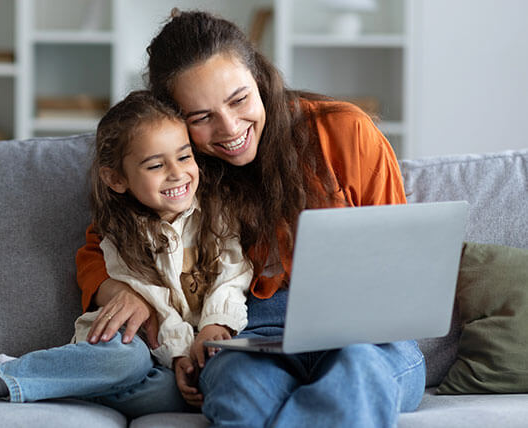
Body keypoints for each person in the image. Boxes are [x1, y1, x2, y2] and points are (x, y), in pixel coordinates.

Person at [76, 9, 426, 427]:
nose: (229, 128)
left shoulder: (344, 131)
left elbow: (403, 254)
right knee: (238, 389)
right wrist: (121, 288)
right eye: (201, 118)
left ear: (259, 78)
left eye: (239, 99)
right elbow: (104, 240)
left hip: (363, 334)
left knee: (357, 373)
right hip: (251, 331)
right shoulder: (181, 168)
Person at [0, 90, 252, 416]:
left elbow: (233, 273)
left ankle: (54, 375)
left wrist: (216, 325)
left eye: (184, 157)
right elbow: (153, 303)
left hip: (171, 365)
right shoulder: (121, 232)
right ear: (116, 178)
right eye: (156, 165)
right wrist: (180, 353)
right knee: (127, 359)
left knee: (174, 393)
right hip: (133, 345)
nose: (176, 173)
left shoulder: (218, 213)